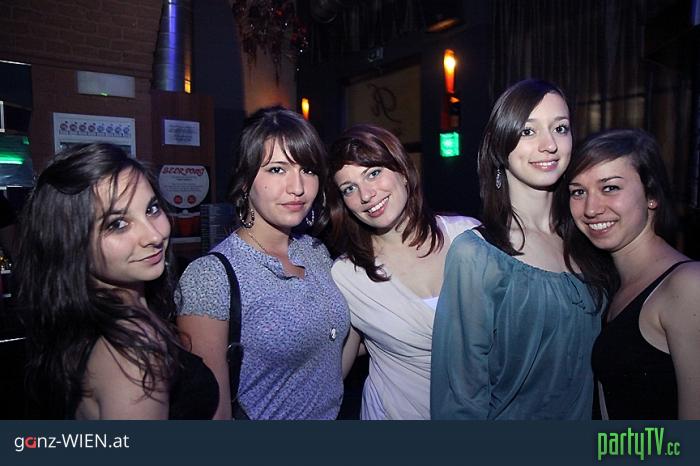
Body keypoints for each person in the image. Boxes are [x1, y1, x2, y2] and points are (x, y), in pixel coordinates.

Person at [431, 79, 605, 420]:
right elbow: (460, 398)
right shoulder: (476, 255)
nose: (549, 144)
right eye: (528, 131)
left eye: (560, 128)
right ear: (501, 146)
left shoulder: (589, 240)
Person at [16, 143, 218, 419]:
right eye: (118, 224)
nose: (154, 235)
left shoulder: (88, 320)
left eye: (152, 209)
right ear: (70, 243)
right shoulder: (131, 351)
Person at [176, 106, 350, 420]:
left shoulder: (315, 252)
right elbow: (212, 412)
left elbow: (328, 360)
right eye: (277, 169)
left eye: (308, 170)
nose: (297, 187)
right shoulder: (211, 277)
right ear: (245, 180)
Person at [326, 124, 479, 420]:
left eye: (373, 173)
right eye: (349, 188)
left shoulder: (469, 237)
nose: (366, 195)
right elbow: (330, 372)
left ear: (403, 171)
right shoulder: (347, 276)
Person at [565, 128, 700, 419]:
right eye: (578, 192)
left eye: (610, 188)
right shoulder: (609, 286)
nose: (591, 209)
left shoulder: (687, 286)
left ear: (651, 195)